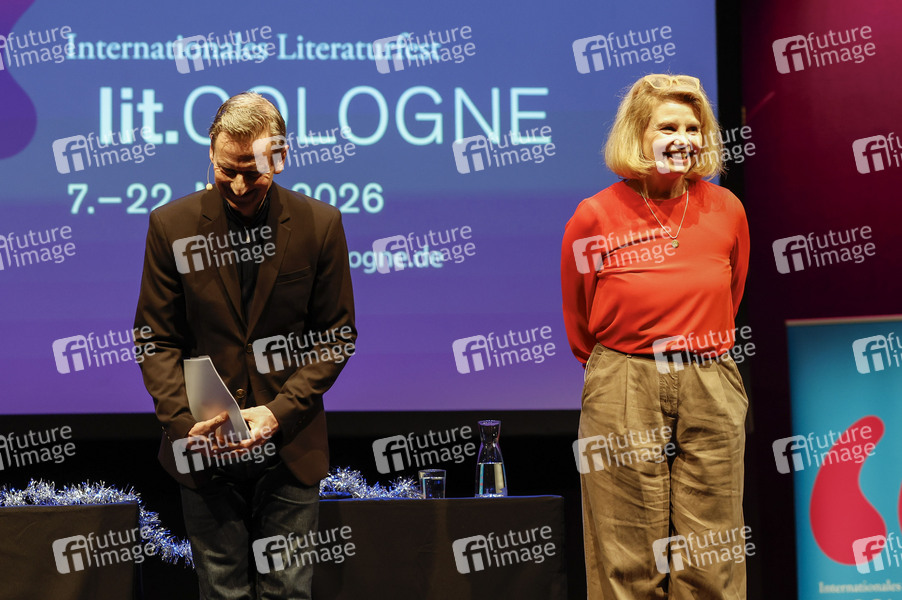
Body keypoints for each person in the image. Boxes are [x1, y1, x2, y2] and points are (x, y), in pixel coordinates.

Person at [134, 91, 356, 598]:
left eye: (252, 173)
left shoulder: (321, 225)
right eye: (226, 170)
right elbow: (155, 338)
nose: (238, 186)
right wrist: (186, 427)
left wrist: (277, 413)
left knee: (288, 593)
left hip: (291, 444)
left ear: (279, 158)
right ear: (210, 156)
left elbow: (337, 335)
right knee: (222, 594)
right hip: (203, 449)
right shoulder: (170, 226)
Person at [561, 74, 750, 598]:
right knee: (627, 559)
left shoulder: (728, 209)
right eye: (668, 127)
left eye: (693, 128)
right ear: (638, 135)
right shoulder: (595, 214)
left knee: (712, 556)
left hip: (709, 375)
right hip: (625, 376)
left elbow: (730, 294)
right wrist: (620, 366)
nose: (683, 139)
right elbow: (579, 315)